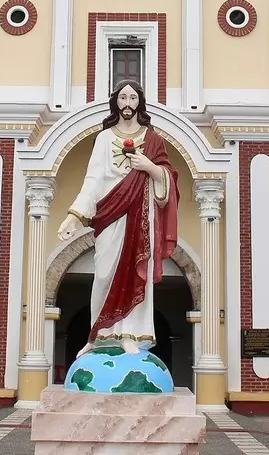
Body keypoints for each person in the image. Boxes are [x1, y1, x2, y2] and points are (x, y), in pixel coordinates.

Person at [57, 80, 179, 355]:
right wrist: (73, 217)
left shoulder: (153, 140)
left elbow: (168, 179)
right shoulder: (103, 138)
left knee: (139, 274)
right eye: (122, 97)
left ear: (139, 103)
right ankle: (99, 334)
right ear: (116, 102)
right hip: (111, 213)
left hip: (141, 217)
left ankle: (131, 334)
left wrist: (149, 166)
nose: (127, 103)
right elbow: (92, 180)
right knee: (103, 274)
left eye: (132, 98)